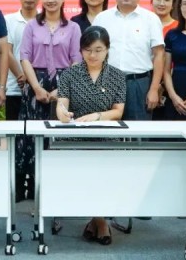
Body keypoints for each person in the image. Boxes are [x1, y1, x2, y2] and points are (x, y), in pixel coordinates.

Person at [56, 25, 126, 245]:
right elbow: (61, 104)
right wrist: (63, 114)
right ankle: (100, 222)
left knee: (103, 177)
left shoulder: (117, 75)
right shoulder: (69, 74)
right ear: (81, 50)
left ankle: (97, 222)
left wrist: (97, 116)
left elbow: (118, 111)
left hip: (107, 138)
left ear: (107, 50)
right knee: (85, 177)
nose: (92, 55)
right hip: (75, 139)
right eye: (87, 50)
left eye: (98, 50)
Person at [17, 0, 81, 201]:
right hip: (36, 82)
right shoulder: (31, 26)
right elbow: (24, 57)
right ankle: (31, 188)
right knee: (31, 136)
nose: (51, 0)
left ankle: (56, 188)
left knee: (58, 134)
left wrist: (60, 90)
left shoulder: (73, 27)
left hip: (64, 83)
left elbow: (76, 61)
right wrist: (36, 87)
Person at [93, 0, 164, 120]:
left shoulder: (151, 19)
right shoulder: (101, 18)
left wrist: (153, 89)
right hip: (106, 82)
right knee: (106, 128)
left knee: (139, 131)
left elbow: (159, 55)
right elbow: (92, 53)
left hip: (138, 84)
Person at [4, 0, 41, 121]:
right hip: (14, 88)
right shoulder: (8, 20)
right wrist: (21, 76)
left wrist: (31, 78)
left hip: (40, 88)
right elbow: (6, 51)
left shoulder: (45, 21)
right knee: (14, 130)